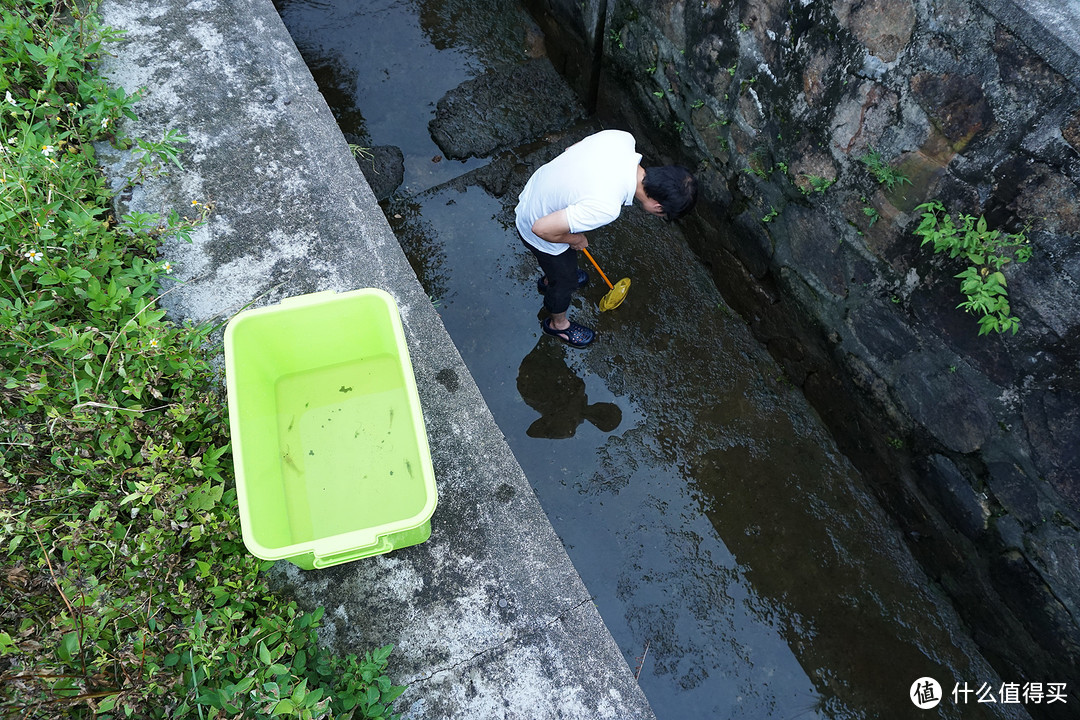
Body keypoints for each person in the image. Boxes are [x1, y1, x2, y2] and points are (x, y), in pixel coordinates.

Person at [514, 129, 698, 348]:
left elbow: (571, 150)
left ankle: (548, 280)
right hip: (534, 221)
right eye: (663, 214)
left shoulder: (622, 139)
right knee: (566, 281)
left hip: (536, 189)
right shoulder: (606, 207)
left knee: (561, 269)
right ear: (658, 206)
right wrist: (574, 239)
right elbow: (541, 229)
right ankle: (558, 325)